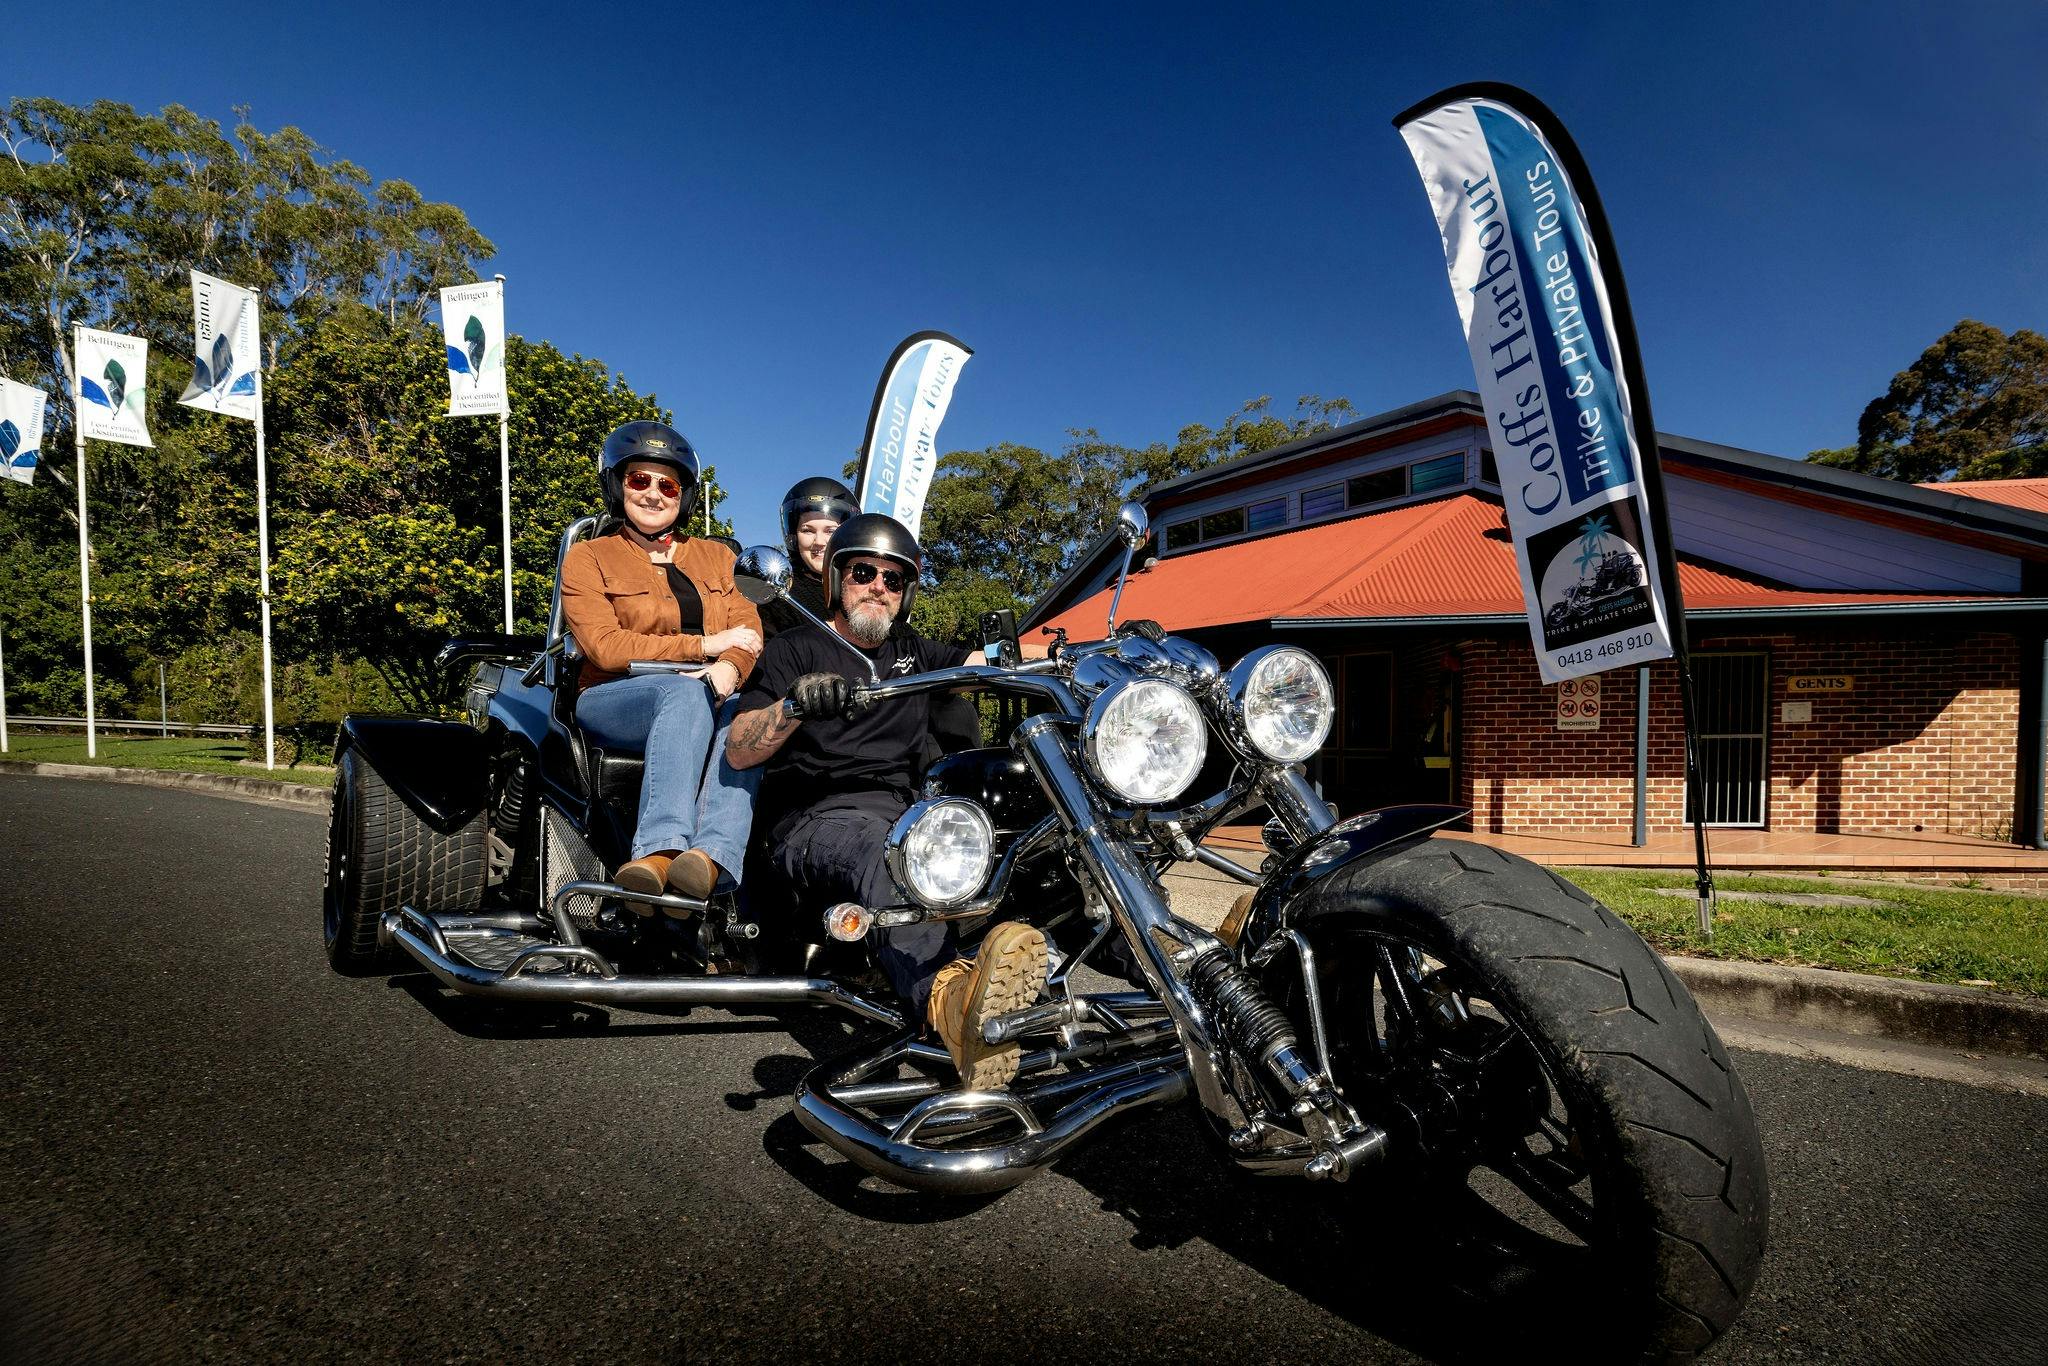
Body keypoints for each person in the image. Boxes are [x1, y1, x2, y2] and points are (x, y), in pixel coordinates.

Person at [726, 513, 1048, 1088]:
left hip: (908, 809)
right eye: (864, 571)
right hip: (817, 819)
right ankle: (950, 1003)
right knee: (891, 854)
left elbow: (990, 667)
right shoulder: (794, 648)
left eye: (893, 579)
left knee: (1042, 838)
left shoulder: (915, 651)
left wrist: (1095, 655)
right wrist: (792, 707)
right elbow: (739, 749)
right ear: (835, 578)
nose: (878, 585)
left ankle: (1181, 970)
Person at [560, 420, 764, 905]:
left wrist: (728, 670)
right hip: (614, 696)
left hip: (714, 689)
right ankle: (659, 851)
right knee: (682, 691)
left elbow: (748, 630)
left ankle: (709, 859)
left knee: (753, 717)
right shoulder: (588, 557)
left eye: (667, 484)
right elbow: (606, 647)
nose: (654, 493)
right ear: (616, 484)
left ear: (684, 496)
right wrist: (703, 649)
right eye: (639, 480)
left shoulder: (719, 557)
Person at [759, 477, 859, 640]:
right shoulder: (780, 595)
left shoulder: (866, 584)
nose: (819, 541)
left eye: (830, 531)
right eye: (808, 531)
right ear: (793, 536)